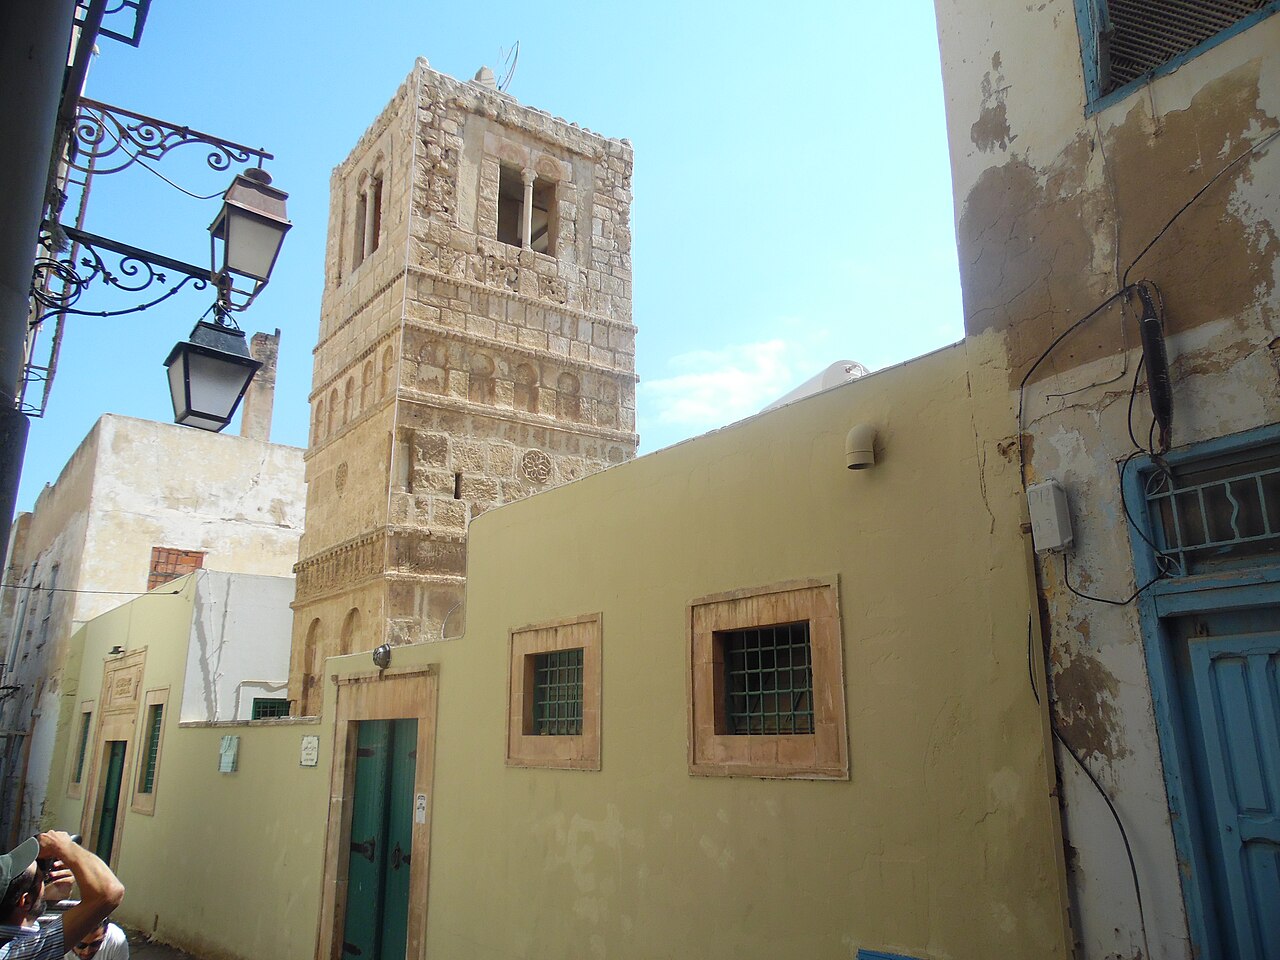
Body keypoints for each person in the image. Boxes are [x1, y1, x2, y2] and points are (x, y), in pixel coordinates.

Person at [0, 833, 124, 960]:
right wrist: (65, 847)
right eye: (41, 877)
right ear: (26, 901)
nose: (46, 877)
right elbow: (110, 893)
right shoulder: (18, 953)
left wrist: (48, 895)